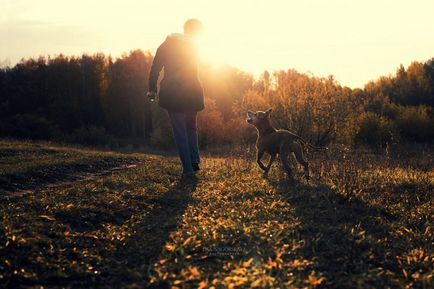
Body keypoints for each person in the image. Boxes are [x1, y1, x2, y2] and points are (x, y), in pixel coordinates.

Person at [148, 19, 204, 179]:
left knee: (180, 130)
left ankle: (188, 169)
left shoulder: (166, 44)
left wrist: (152, 89)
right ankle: (194, 161)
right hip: (192, 92)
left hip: (173, 93)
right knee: (191, 127)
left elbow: (155, 69)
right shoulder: (195, 46)